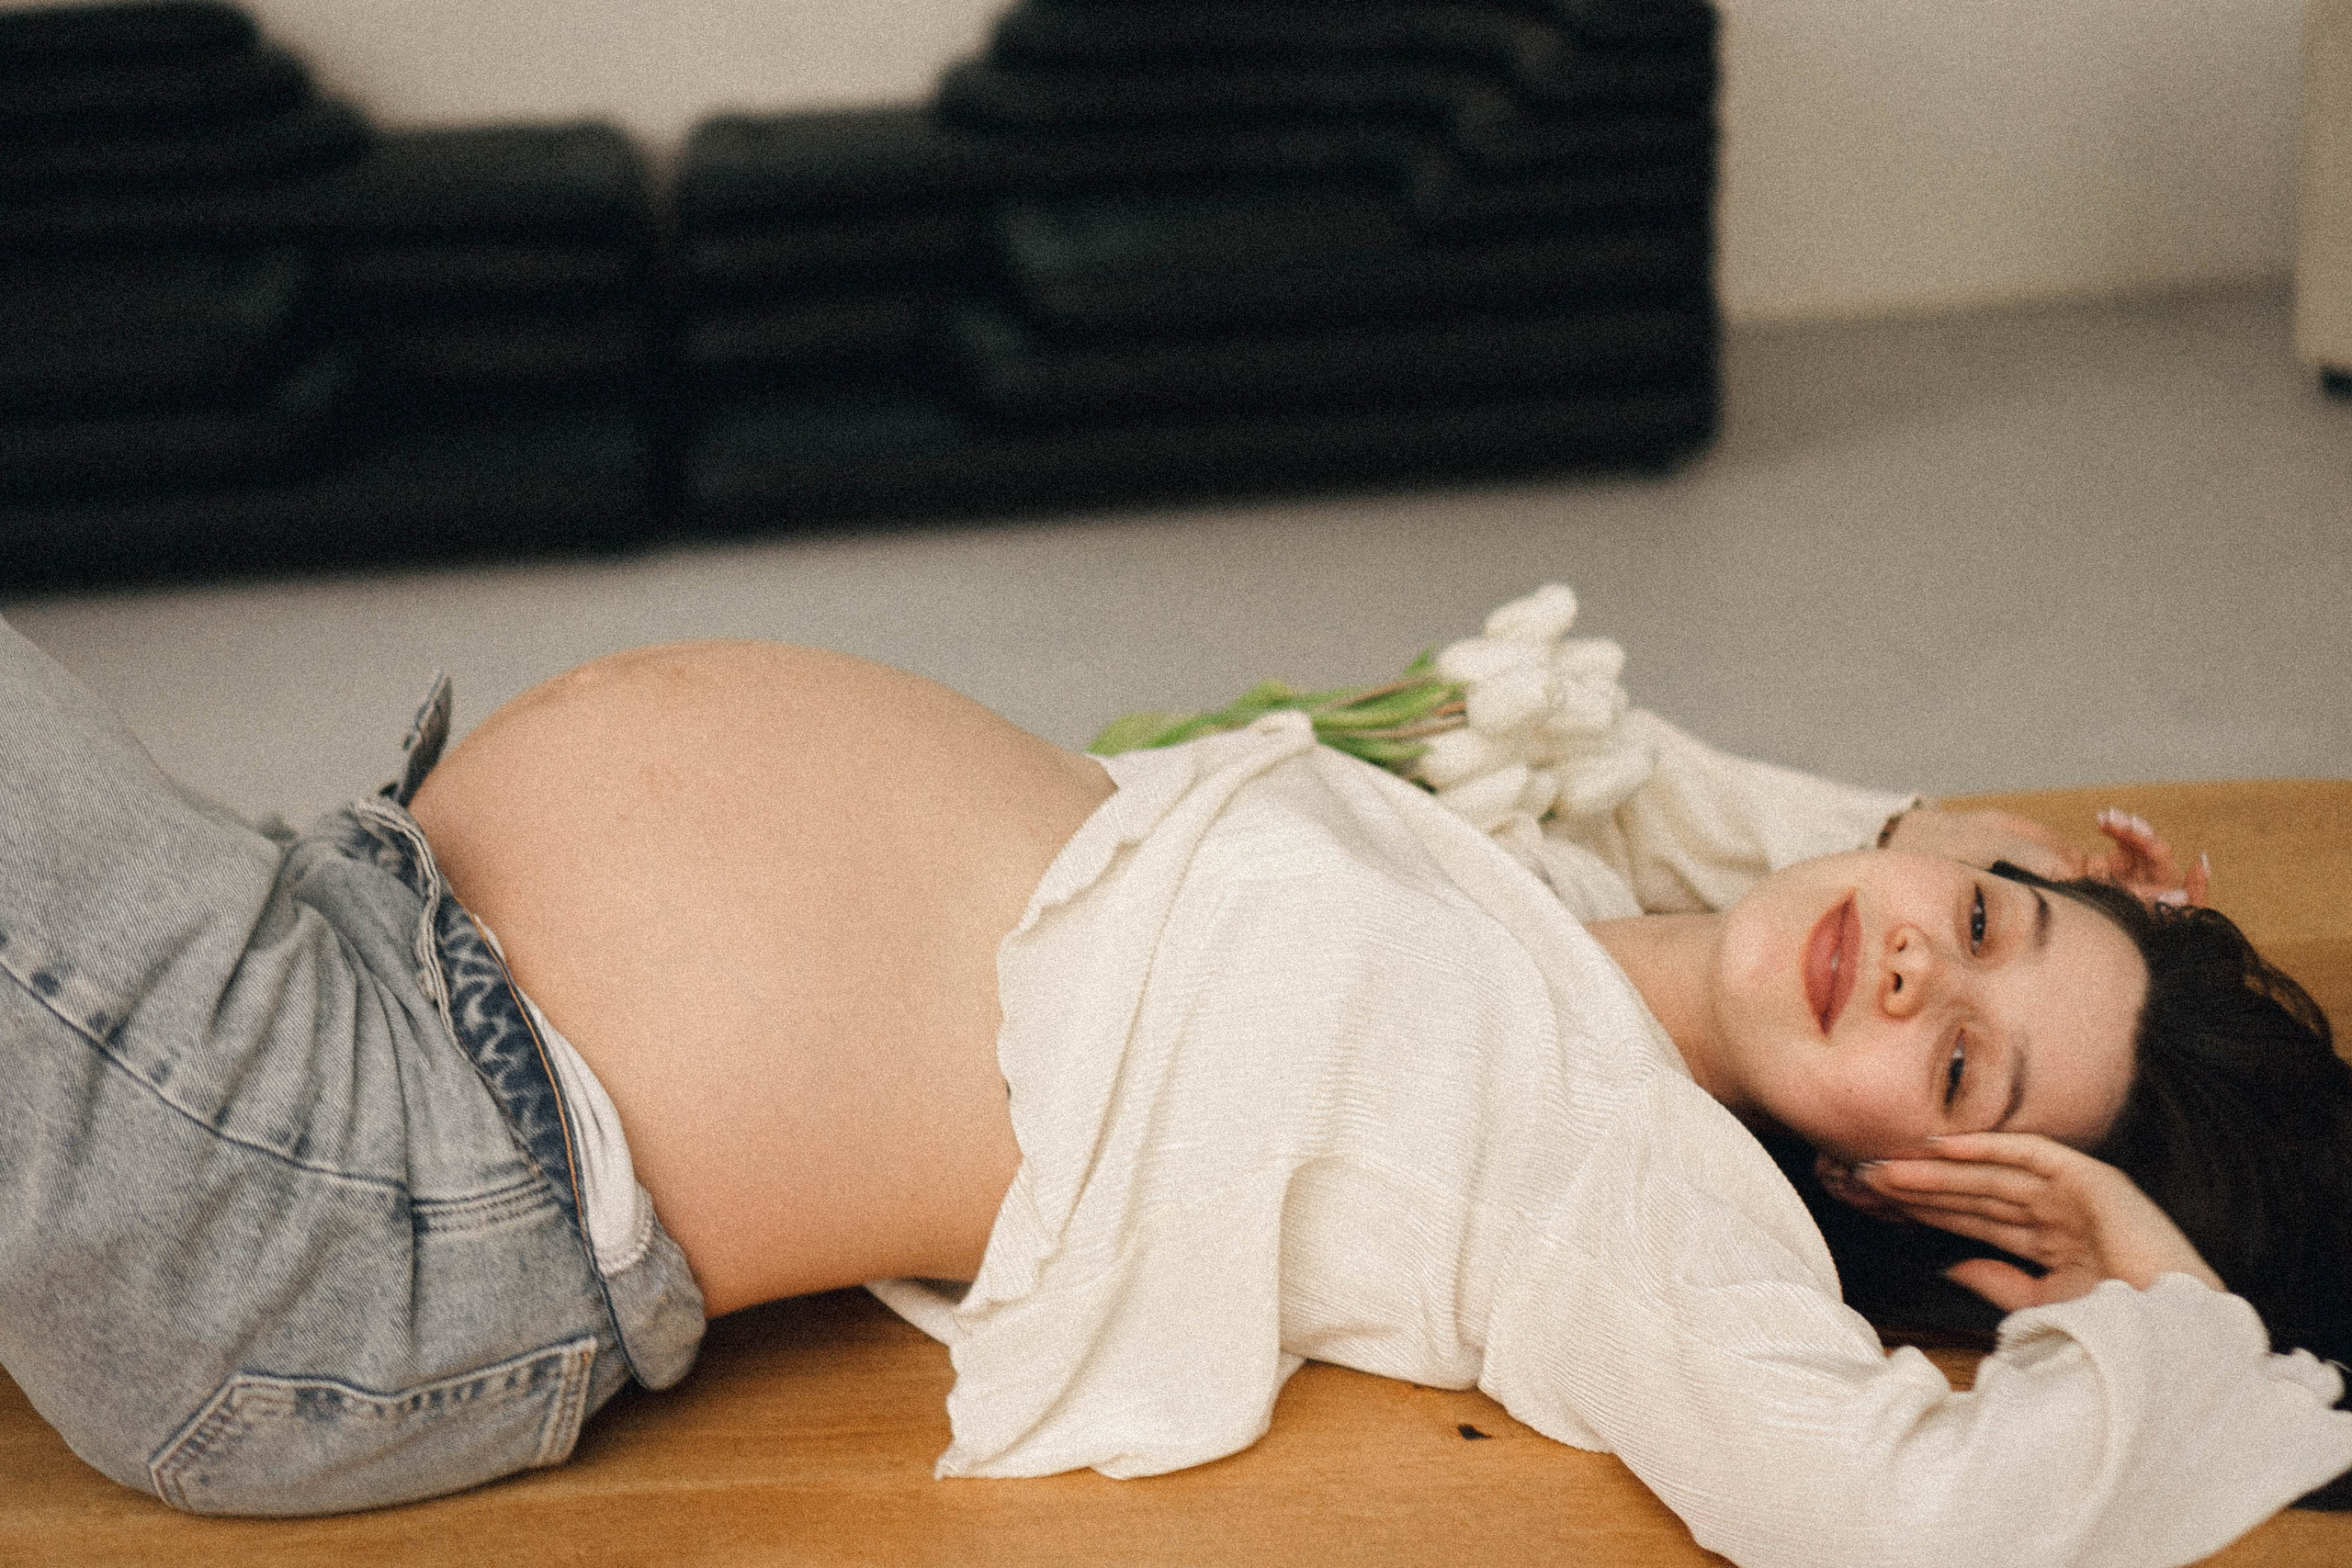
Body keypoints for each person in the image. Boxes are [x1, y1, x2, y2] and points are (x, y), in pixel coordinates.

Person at [2, 615, 2348, 1566]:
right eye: (1999, 920)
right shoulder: (1566, 870)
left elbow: (1888, 1512)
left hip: (372, 1192)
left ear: (1914, 1173)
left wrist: (2148, 1308)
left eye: (1957, 1065)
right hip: (338, 935)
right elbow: (1796, 852)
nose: (1923, 959)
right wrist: (2053, 886)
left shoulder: (1606, 1176)